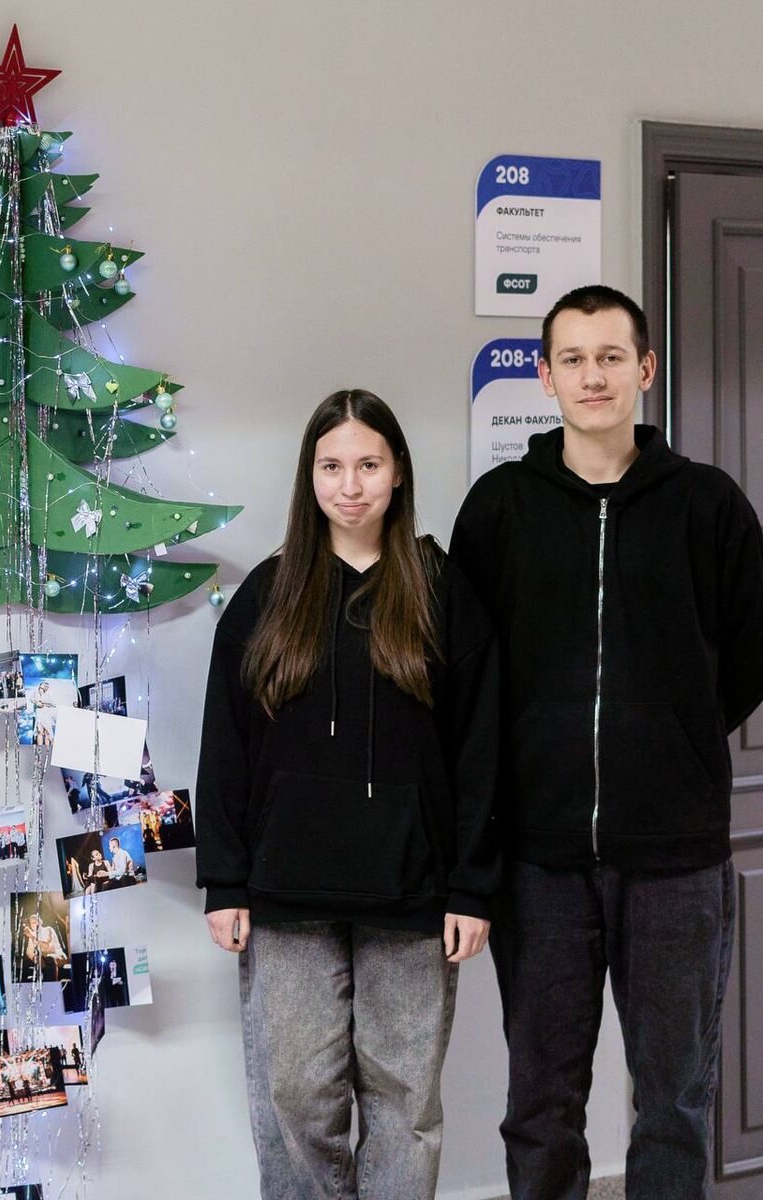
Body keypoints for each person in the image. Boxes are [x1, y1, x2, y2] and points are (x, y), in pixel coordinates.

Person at [449, 284, 763, 1200]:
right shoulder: (499, 508)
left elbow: (749, 654)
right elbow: (469, 675)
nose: (594, 376)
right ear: (546, 377)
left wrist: (676, 735)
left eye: (612, 357)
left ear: (645, 369)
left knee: (674, 1103)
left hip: (677, 861)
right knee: (542, 1105)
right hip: (538, 863)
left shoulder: (707, 505)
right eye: (575, 359)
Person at [195, 389, 500, 1199]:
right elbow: (225, 743)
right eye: (332, 467)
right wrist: (224, 880)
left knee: (405, 1100)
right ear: (310, 477)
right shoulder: (269, 593)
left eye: (369, 464)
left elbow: (479, 750)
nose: (351, 485)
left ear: (398, 473)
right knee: (294, 1094)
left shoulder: (442, 591)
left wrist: (472, 887)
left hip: (414, 892)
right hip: (284, 891)